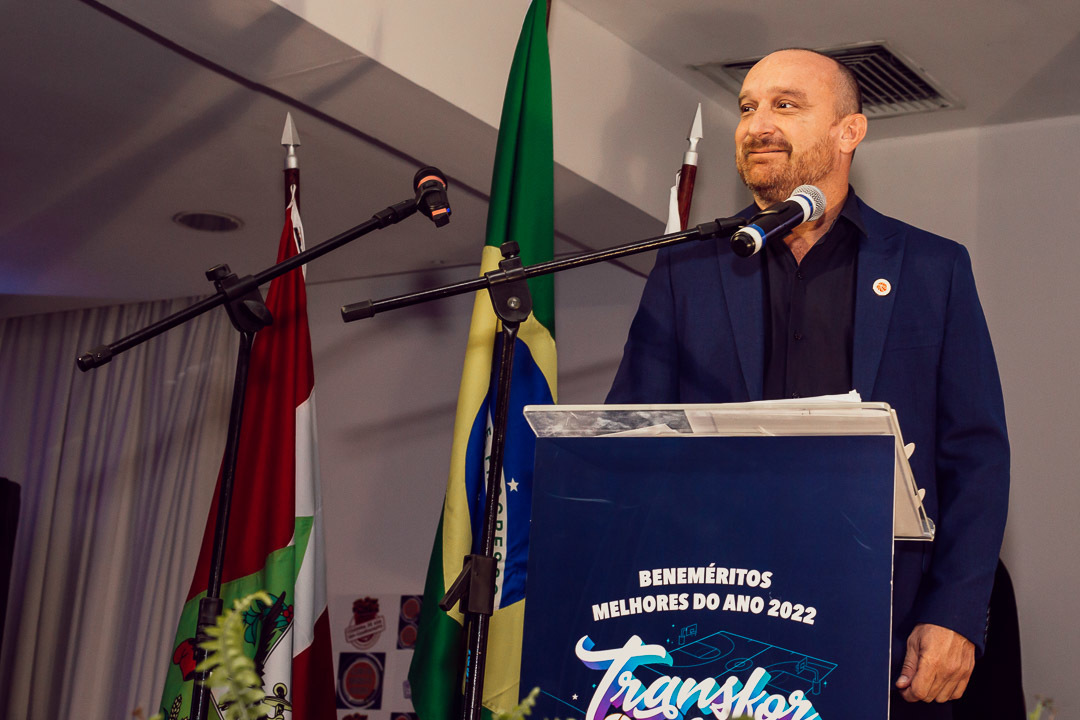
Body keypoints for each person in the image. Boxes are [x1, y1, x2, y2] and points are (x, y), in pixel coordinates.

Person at [607, 48, 1009, 718]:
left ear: (850, 131)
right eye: (747, 107)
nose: (757, 123)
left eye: (785, 105)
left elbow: (975, 456)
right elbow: (630, 443)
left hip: (884, 627)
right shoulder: (688, 270)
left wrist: (955, 613)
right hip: (713, 626)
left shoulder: (931, 268)